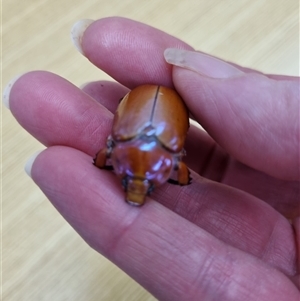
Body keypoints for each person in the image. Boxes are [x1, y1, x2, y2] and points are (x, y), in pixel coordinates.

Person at [4, 17, 299, 300]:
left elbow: (113, 157)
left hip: (149, 112)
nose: (135, 193)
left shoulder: (132, 153)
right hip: (149, 113)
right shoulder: (145, 155)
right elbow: (156, 167)